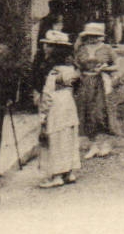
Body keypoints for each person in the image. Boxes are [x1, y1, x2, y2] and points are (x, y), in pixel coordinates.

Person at [35, 31, 80, 188]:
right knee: (68, 136)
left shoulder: (53, 72)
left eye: (48, 45)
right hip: (68, 102)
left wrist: (43, 115)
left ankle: (57, 175)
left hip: (56, 105)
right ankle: (69, 171)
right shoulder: (71, 69)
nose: (45, 48)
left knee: (55, 138)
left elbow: (47, 95)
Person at [73, 22, 119, 159]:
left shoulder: (107, 49)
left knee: (100, 112)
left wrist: (104, 68)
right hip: (85, 83)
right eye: (89, 36)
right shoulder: (81, 49)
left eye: (95, 36)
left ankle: (104, 144)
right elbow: (76, 66)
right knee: (86, 112)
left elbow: (116, 66)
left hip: (101, 82)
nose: (92, 39)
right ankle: (93, 145)